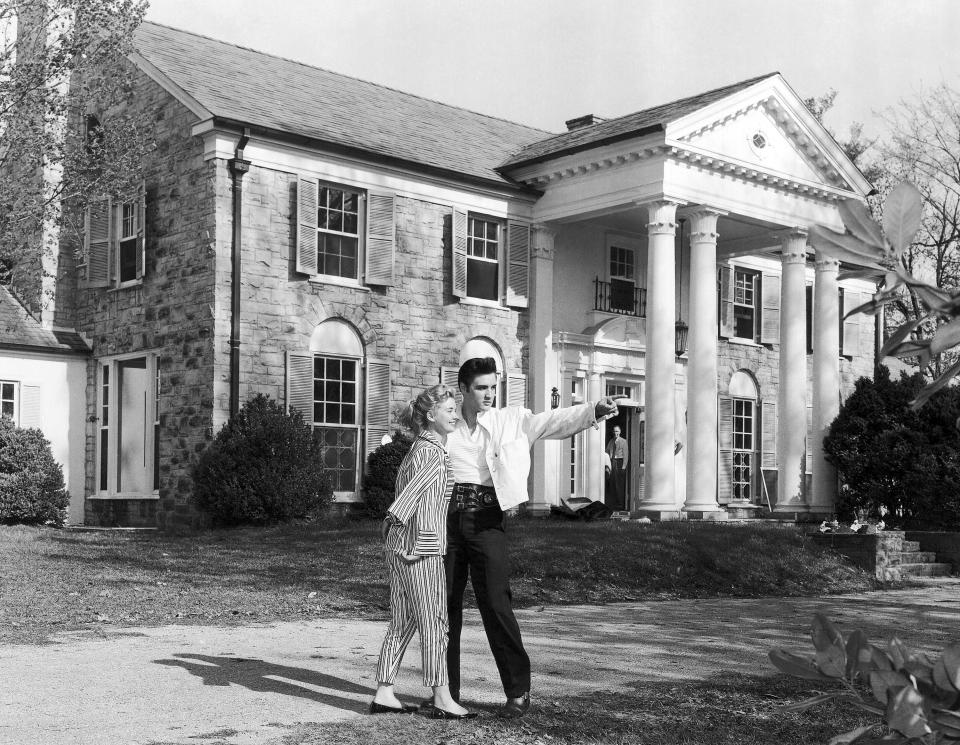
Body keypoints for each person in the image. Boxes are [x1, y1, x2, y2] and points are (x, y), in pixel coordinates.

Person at [443, 357, 622, 718]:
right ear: (463, 389)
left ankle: (518, 693)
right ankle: (445, 694)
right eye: (481, 388)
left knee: (496, 603)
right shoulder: (444, 423)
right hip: (445, 521)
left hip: (487, 520)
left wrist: (592, 410)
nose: (490, 394)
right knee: (444, 609)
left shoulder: (511, 420)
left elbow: (552, 422)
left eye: (493, 386)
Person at [370, 385, 477, 720]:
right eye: (449, 410)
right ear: (431, 416)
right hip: (421, 548)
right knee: (434, 623)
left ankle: (384, 692)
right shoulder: (433, 452)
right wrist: (393, 516)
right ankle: (442, 697)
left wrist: (393, 524)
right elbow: (413, 492)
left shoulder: (417, 448)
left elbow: (414, 490)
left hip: (401, 547)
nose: (456, 416)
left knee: (403, 621)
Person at [605, 425, 628, 511]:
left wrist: (623, 467)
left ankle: (620, 504)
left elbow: (626, 455)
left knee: (619, 484)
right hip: (612, 462)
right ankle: (613, 504)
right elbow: (606, 452)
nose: (616, 433)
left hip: (620, 462)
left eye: (617, 431)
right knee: (612, 483)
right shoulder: (611, 441)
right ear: (613, 432)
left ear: (620, 432)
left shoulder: (623, 441)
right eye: (614, 431)